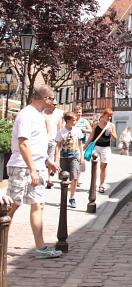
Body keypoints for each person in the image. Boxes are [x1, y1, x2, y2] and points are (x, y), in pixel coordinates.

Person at [6, 84, 62, 259]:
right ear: (45, 99)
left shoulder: (39, 115)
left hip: (36, 166)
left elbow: (36, 145)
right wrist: (32, 170)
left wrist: (47, 160)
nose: (54, 103)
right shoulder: (27, 115)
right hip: (22, 167)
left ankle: (40, 247)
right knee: (12, 205)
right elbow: (23, 144)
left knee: (38, 205)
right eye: (52, 99)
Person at [83, 108, 117, 194]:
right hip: (96, 147)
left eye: (110, 116)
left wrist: (111, 133)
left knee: (104, 166)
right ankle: (93, 184)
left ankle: (101, 185)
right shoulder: (96, 124)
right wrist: (84, 147)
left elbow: (114, 138)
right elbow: (91, 136)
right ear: (103, 115)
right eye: (108, 116)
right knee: (95, 164)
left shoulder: (111, 125)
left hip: (106, 148)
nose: (109, 118)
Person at [54, 112, 83, 208]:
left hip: (74, 156)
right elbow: (57, 146)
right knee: (64, 177)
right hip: (64, 157)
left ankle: (72, 197)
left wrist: (81, 156)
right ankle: (64, 197)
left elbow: (79, 144)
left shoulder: (77, 131)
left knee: (74, 177)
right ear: (68, 121)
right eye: (73, 120)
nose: (75, 122)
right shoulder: (61, 132)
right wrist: (56, 159)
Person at [43, 98, 63, 189]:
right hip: (42, 140)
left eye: (56, 104)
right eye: (53, 104)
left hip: (52, 140)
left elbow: (60, 130)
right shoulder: (42, 114)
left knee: (49, 158)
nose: (55, 106)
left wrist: (59, 142)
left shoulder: (57, 116)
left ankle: (49, 179)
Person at [73, 106, 92, 187]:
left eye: (80, 112)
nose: (78, 114)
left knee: (81, 161)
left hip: (82, 144)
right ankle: (74, 177)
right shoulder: (72, 121)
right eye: (77, 112)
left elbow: (91, 131)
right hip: (72, 144)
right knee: (73, 161)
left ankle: (78, 179)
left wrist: (83, 130)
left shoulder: (84, 121)